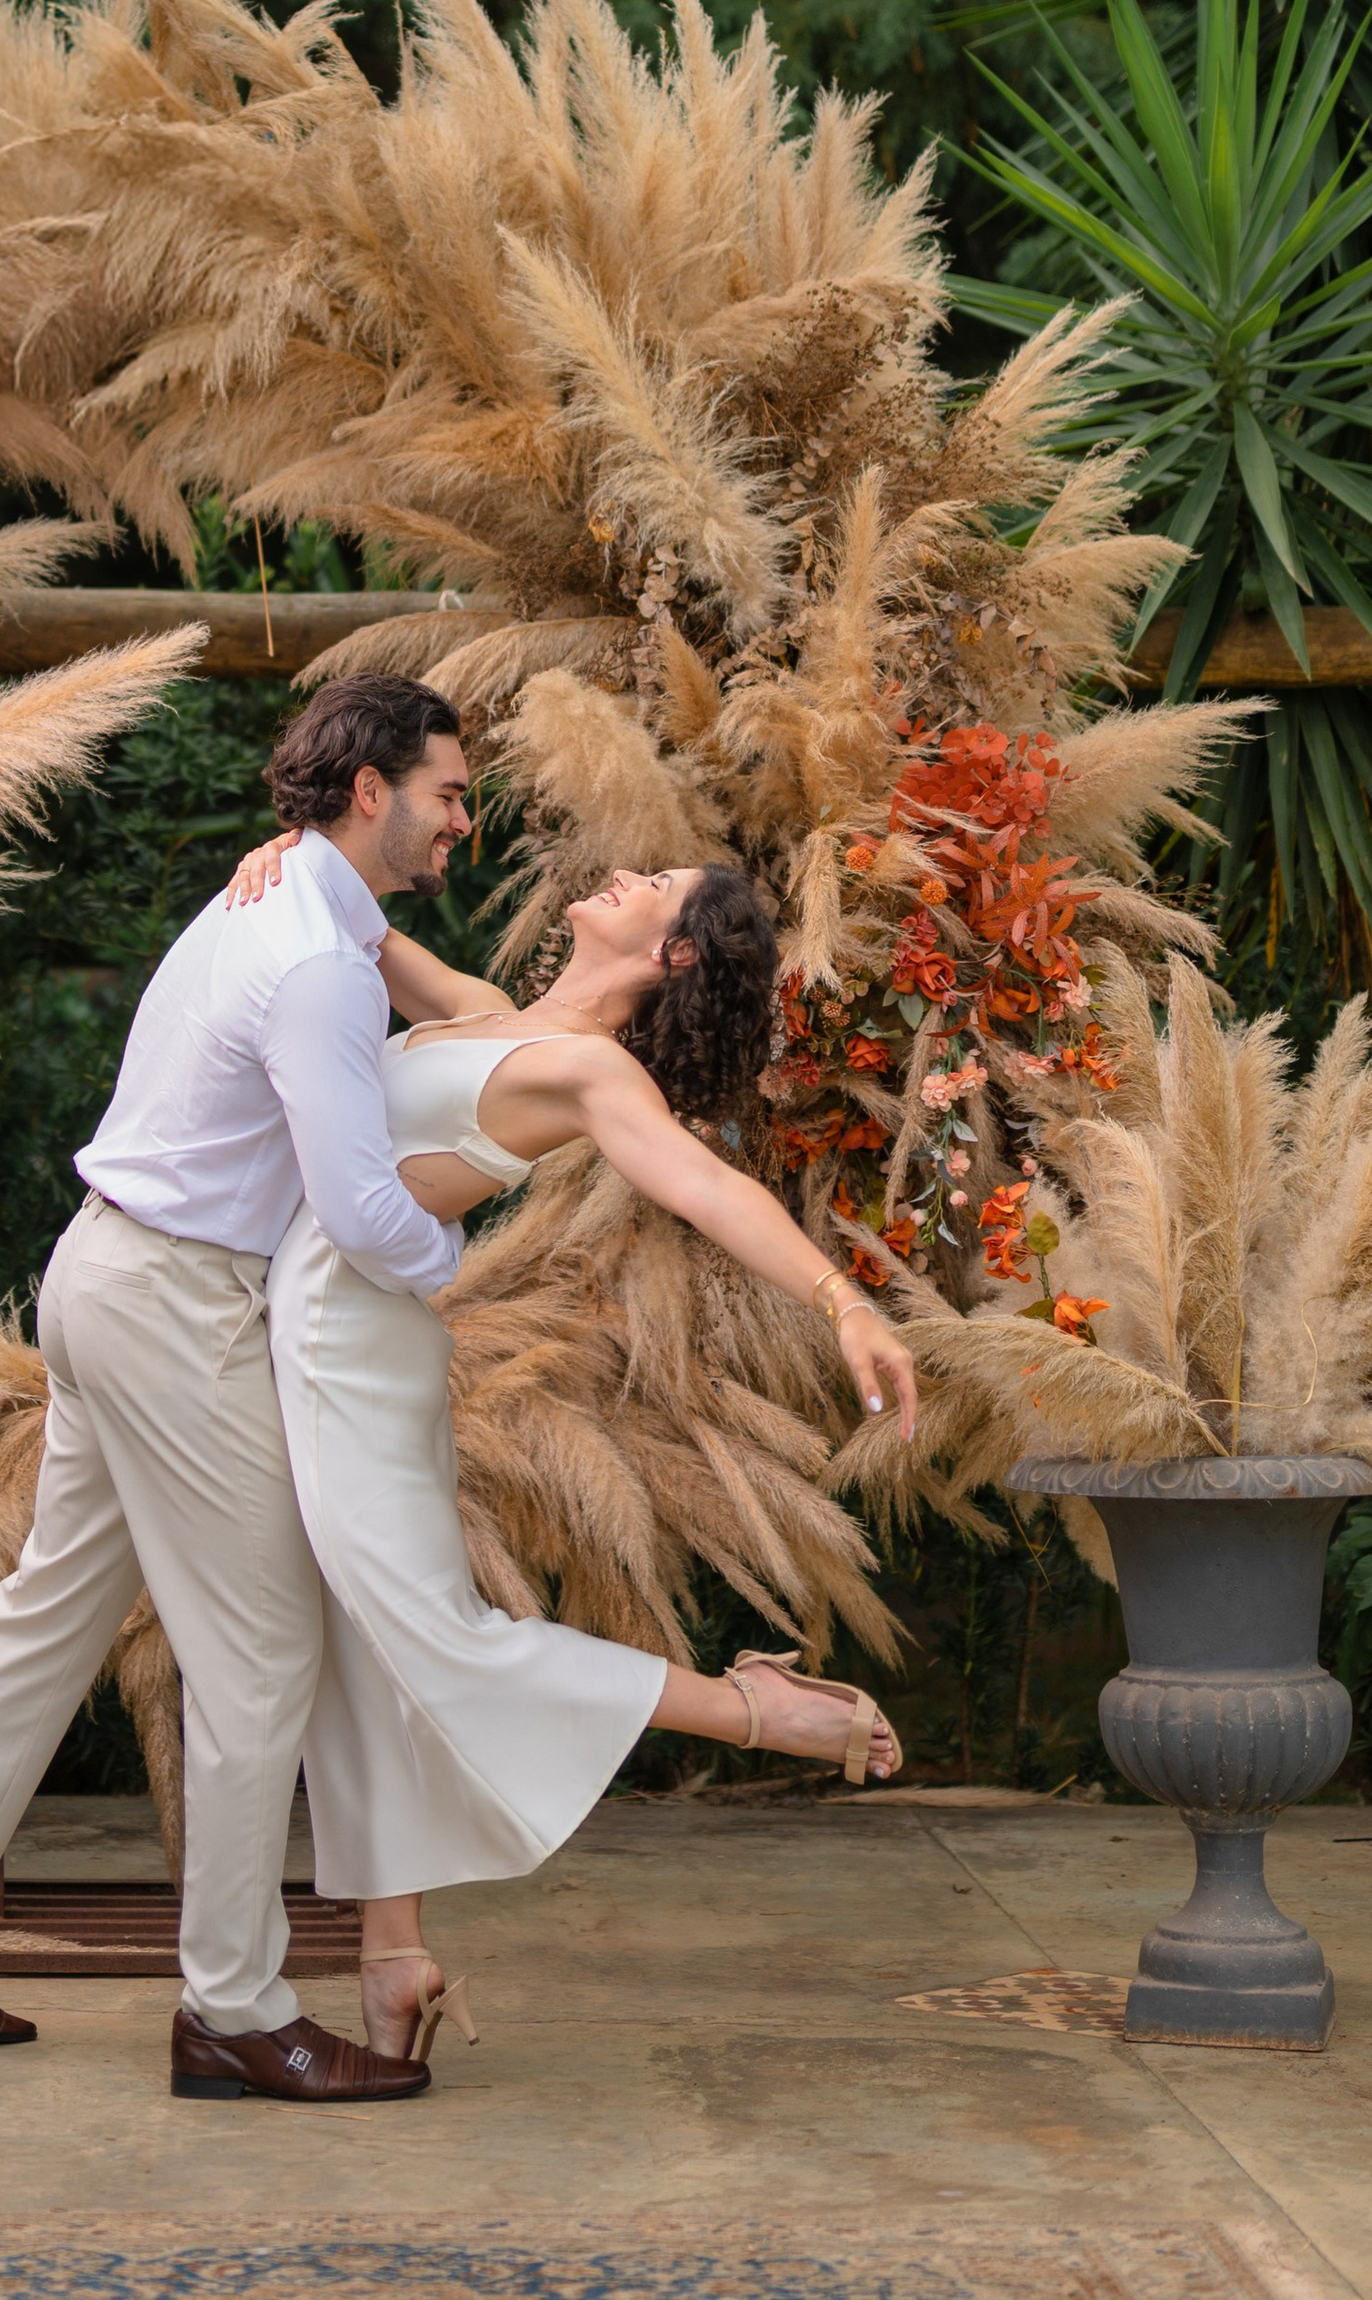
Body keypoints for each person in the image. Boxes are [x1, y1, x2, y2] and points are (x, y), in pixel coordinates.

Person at [0, 675, 484, 2103]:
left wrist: (331, 874)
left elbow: (410, 968)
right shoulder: (311, 958)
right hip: (177, 1305)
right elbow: (363, 1209)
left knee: (51, 1610)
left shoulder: (295, 904)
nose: (463, 822)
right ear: (371, 792)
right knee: (260, 1654)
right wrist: (457, 1259)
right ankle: (234, 2011)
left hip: (107, 1275)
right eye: (447, 794)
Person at [227, 822, 914, 2066]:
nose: (618, 875)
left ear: (675, 951)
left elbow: (709, 1192)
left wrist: (842, 1302)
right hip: (329, 1330)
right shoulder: (484, 1008)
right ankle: (393, 1962)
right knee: (364, 1645)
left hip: (345, 1344)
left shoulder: (594, 1074)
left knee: (425, 1635)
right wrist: (283, 851)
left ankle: (749, 1711)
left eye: (651, 886)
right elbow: (357, 928)